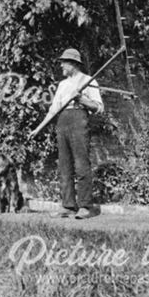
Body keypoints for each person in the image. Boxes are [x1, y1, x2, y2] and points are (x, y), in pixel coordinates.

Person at [48, 48, 104, 219]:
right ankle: (68, 205)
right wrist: (38, 127)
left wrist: (81, 99)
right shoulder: (62, 85)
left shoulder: (88, 81)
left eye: (64, 62)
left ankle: (85, 206)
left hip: (79, 119)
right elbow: (54, 108)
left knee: (81, 164)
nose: (61, 66)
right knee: (64, 165)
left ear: (73, 64)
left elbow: (99, 107)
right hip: (62, 121)